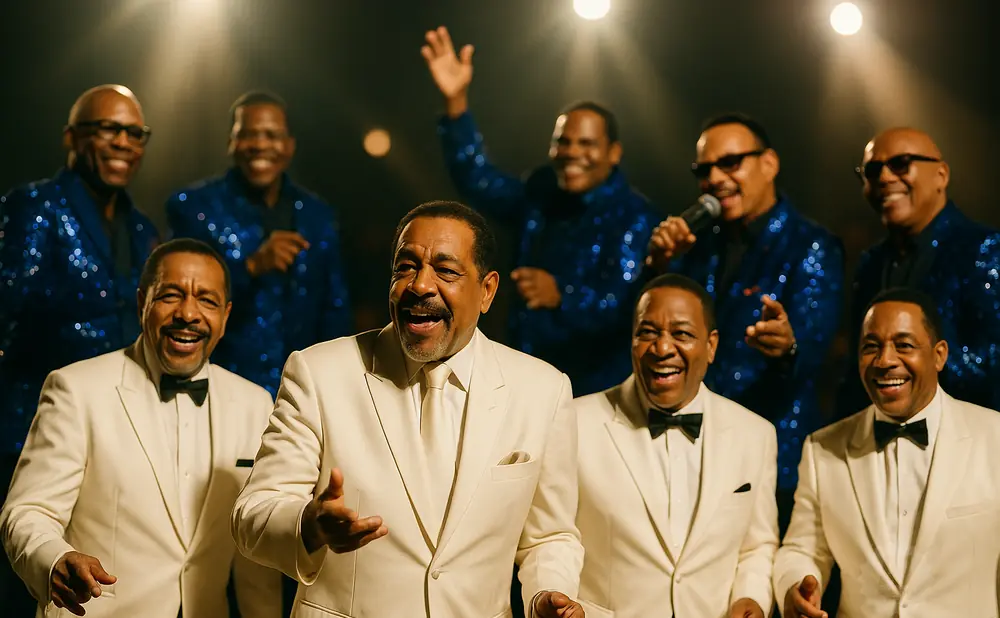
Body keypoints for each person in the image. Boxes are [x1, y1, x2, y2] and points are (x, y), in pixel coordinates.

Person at [231, 201, 584, 617]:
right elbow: (252, 514)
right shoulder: (317, 373)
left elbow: (550, 536)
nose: (420, 285)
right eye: (406, 267)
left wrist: (546, 593)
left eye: (446, 271)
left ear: (486, 291)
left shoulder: (544, 390)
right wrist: (309, 525)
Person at [0, 239, 281, 618]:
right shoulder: (75, 389)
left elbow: (255, 559)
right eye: (170, 295)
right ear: (141, 304)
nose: (188, 313)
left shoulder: (255, 404)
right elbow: (28, 512)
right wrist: (55, 559)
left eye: (207, 300)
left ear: (226, 316)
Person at [422, 26, 659, 397]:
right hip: (526, 377)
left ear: (614, 153)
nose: (571, 152)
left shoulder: (635, 216)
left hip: (598, 390)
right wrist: (456, 104)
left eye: (587, 143)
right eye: (562, 141)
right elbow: (478, 179)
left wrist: (563, 294)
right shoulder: (541, 193)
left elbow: (631, 309)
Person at [0, 84, 160, 613]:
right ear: (72, 137)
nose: (123, 142)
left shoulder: (143, 229)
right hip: (24, 433)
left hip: (114, 439)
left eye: (135, 132)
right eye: (108, 128)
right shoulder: (33, 206)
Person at [645, 113, 844, 522]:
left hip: (775, 455)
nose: (715, 178)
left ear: (769, 164)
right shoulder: (700, 246)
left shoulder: (811, 245)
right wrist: (659, 266)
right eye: (704, 169)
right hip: (697, 448)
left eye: (730, 163)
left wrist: (788, 346)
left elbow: (811, 353)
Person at [775, 288, 1000, 618]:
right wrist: (797, 584)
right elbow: (801, 548)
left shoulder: (993, 437)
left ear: (939, 355)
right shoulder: (823, 448)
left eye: (904, 345)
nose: (885, 361)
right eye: (871, 347)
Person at [574, 274, 778, 618]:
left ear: (711, 346)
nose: (663, 348)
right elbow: (551, 538)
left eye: (681, 334)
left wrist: (752, 597)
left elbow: (757, 547)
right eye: (648, 332)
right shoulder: (574, 422)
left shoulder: (755, 434)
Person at [166, 91, 351, 398]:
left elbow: (336, 307)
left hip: (305, 390)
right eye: (248, 135)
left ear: (290, 146)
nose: (261, 145)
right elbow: (179, 298)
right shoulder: (193, 208)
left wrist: (338, 381)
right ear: (231, 142)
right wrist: (250, 266)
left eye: (271, 135)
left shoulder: (319, 215)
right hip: (220, 387)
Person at [838, 127, 1000, 415]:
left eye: (900, 164)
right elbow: (855, 369)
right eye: (872, 170)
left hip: (969, 442)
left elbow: (992, 365)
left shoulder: (986, 249)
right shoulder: (870, 264)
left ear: (941, 175)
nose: (884, 177)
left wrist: (910, 363)